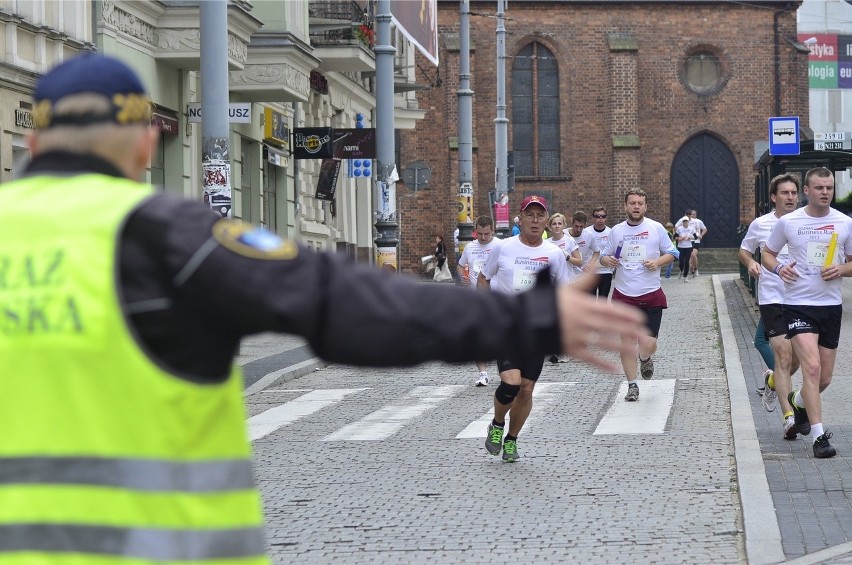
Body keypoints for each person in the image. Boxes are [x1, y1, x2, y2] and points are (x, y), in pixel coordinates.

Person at [0, 54, 648, 563]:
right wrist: (521, 319)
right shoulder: (161, 236)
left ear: (35, 142)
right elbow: (348, 305)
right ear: (146, 142)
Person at [762, 167, 852, 458]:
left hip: (830, 307)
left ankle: (798, 402)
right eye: (819, 188)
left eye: (829, 188)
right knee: (810, 368)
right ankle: (818, 437)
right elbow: (767, 253)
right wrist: (778, 268)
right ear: (807, 191)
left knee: (824, 378)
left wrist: (841, 268)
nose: (825, 192)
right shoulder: (789, 222)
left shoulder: (844, 223)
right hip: (798, 304)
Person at [478, 195, 573, 462]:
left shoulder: (554, 254)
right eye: (529, 215)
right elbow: (484, 279)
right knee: (511, 382)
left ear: (547, 220)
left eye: (540, 215)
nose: (535, 220)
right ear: (520, 218)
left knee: (527, 389)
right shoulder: (503, 248)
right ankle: (497, 424)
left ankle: (512, 439)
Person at [739, 173, 802, 437]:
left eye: (793, 193)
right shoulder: (760, 224)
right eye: (784, 193)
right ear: (774, 197)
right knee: (784, 357)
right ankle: (789, 417)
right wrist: (751, 263)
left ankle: (772, 380)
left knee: (797, 362)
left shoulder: (806, 223)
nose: (789, 197)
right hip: (773, 297)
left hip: (802, 298)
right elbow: (743, 250)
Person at [600, 189, 678, 401]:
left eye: (640, 203)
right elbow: (605, 256)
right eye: (632, 203)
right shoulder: (616, 231)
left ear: (645, 206)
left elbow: (674, 253)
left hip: (651, 293)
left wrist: (657, 262)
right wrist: (607, 261)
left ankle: (645, 357)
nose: (636, 206)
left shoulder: (655, 228)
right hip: (624, 295)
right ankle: (632, 385)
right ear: (626, 206)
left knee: (648, 343)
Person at [457, 215, 500, 386]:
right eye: (480, 234)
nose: (483, 237)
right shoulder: (470, 247)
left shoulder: (500, 246)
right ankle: (483, 373)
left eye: (486, 234)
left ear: (493, 231)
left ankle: (505, 369)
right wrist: (462, 277)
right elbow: (461, 265)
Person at [545, 212, 582, 363]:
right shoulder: (547, 243)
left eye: (560, 223)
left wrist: (567, 257)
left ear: (564, 225)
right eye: (554, 224)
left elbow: (579, 261)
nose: (557, 226)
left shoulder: (569, 241)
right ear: (549, 226)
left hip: (569, 282)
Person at [582, 206, 614, 298]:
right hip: (591, 271)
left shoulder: (611, 232)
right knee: (590, 300)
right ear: (593, 218)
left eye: (603, 216)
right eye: (597, 216)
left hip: (606, 271)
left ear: (606, 218)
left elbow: (615, 250)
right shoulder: (586, 232)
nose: (600, 219)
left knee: (602, 300)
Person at [568, 210, 600, 279]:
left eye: (581, 227)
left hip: (583, 274)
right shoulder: (564, 234)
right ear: (572, 223)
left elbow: (597, 252)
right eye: (576, 226)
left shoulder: (588, 235)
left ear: (585, 224)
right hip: (568, 274)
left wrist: (590, 264)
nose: (578, 229)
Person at [687, 209, 708, 277]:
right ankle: (692, 269)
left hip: (696, 241)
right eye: (691, 214)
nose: (692, 215)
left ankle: (695, 269)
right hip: (687, 241)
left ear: (696, 215)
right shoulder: (686, 221)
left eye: (693, 214)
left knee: (693, 254)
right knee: (690, 256)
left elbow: (705, 229)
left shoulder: (699, 221)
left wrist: (701, 235)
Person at [675, 216, 694, 282]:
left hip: (688, 247)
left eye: (686, 221)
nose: (685, 223)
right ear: (682, 222)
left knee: (687, 262)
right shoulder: (679, 229)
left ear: (688, 222)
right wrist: (679, 238)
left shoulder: (691, 229)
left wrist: (690, 237)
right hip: (681, 247)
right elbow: (675, 237)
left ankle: (685, 276)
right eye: (684, 221)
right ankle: (681, 270)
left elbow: (695, 237)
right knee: (681, 262)